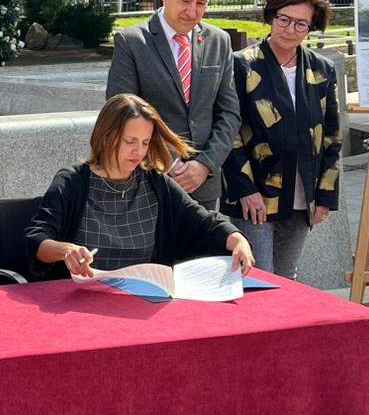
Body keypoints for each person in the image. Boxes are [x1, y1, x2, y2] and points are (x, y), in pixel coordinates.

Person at [25, 93, 252, 279]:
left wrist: (238, 240)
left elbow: (204, 221)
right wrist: (67, 250)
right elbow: (36, 240)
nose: (139, 151)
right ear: (105, 137)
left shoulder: (155, 182)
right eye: (129, 141)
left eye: (145, 142)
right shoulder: (72, 182)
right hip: (81, 300)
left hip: (144, 299)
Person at [221, 0, 342, 280]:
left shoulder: (322, 69)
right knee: (258, 276)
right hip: (256, 195)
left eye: (301, 23)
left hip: (303, 195)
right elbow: (229, 131)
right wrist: (245, 189)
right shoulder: (242, 65)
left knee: (287, 280)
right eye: (283, 19)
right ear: (271, 17)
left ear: (311, 28)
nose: (290, 29)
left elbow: (332, 137)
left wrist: (325, 196)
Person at [105, 0, 241, 208]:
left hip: (204, 186)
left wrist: (205, 165)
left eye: (202, 3)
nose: (192, 12)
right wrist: (171, 164)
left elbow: (230, 114)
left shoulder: (219, 41)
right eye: (185, 1)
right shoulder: (132, 42)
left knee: (202, 249)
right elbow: (122, 114)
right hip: (150, 183)